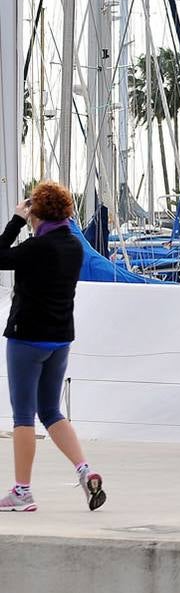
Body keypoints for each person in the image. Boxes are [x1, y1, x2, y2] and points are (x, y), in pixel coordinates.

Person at [0, 182, 106, 512]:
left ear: (36, 212)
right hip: (60, 339)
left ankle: (22, 491)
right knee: (51, 411)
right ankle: (84, 470)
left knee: (23, 416)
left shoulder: (37, 247)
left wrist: (16, 220)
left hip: (28, 337)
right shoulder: (73, 246)